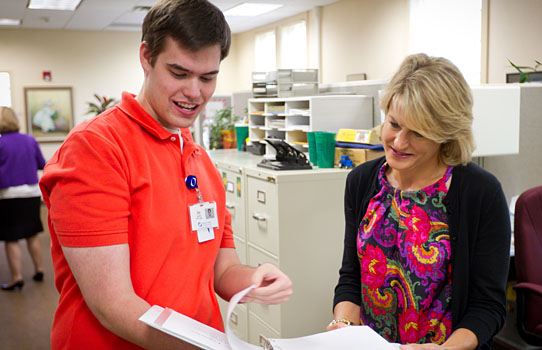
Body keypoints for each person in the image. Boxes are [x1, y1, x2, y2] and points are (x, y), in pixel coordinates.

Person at [39, 1, 292, 349]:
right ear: (146, 57)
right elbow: (113, 306)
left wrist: (253, 280)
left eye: (207, 77)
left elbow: (222, 271)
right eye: (179, 73)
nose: (194, 92)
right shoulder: (96, 149)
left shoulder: (198, 158)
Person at [328, 54, 511, 350]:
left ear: (445, 134)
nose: (399, 142)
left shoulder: (480, 192)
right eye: (394, 124)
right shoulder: (362, 182)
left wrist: (446, 349)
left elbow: (488, 307)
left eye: (418, 133)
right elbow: (351, 278)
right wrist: (344, 326)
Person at [0, 106, 46, 291]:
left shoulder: (1, 143)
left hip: (8, 195)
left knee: (11, 238)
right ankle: (39, 269)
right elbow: (41, 164)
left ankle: (17, 278)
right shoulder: (30, 140)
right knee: (32, 233)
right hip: (32, 193)